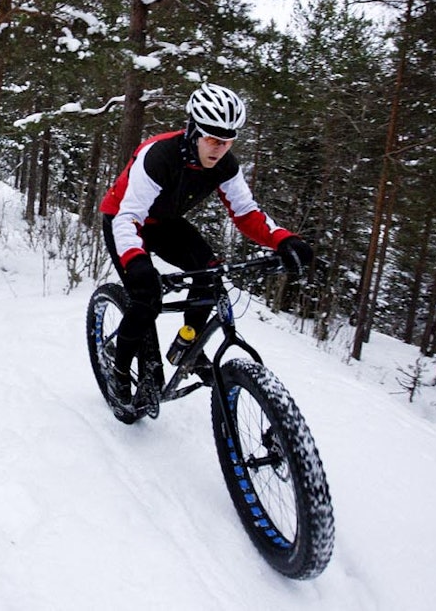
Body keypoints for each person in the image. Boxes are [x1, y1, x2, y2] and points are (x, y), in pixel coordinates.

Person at [99, 83, 314, 410]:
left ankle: (187, 344)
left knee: (210, 274)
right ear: (193, 132)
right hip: (125, 220)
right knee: (146, 298)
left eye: (227, 141)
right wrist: (137, 262)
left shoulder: (226, 165)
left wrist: (283, 239)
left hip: (166, 222)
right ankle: (118, 370)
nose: (219, 148)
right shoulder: (158, 156)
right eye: (212, 139)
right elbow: (128, 217)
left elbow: (246, 212)